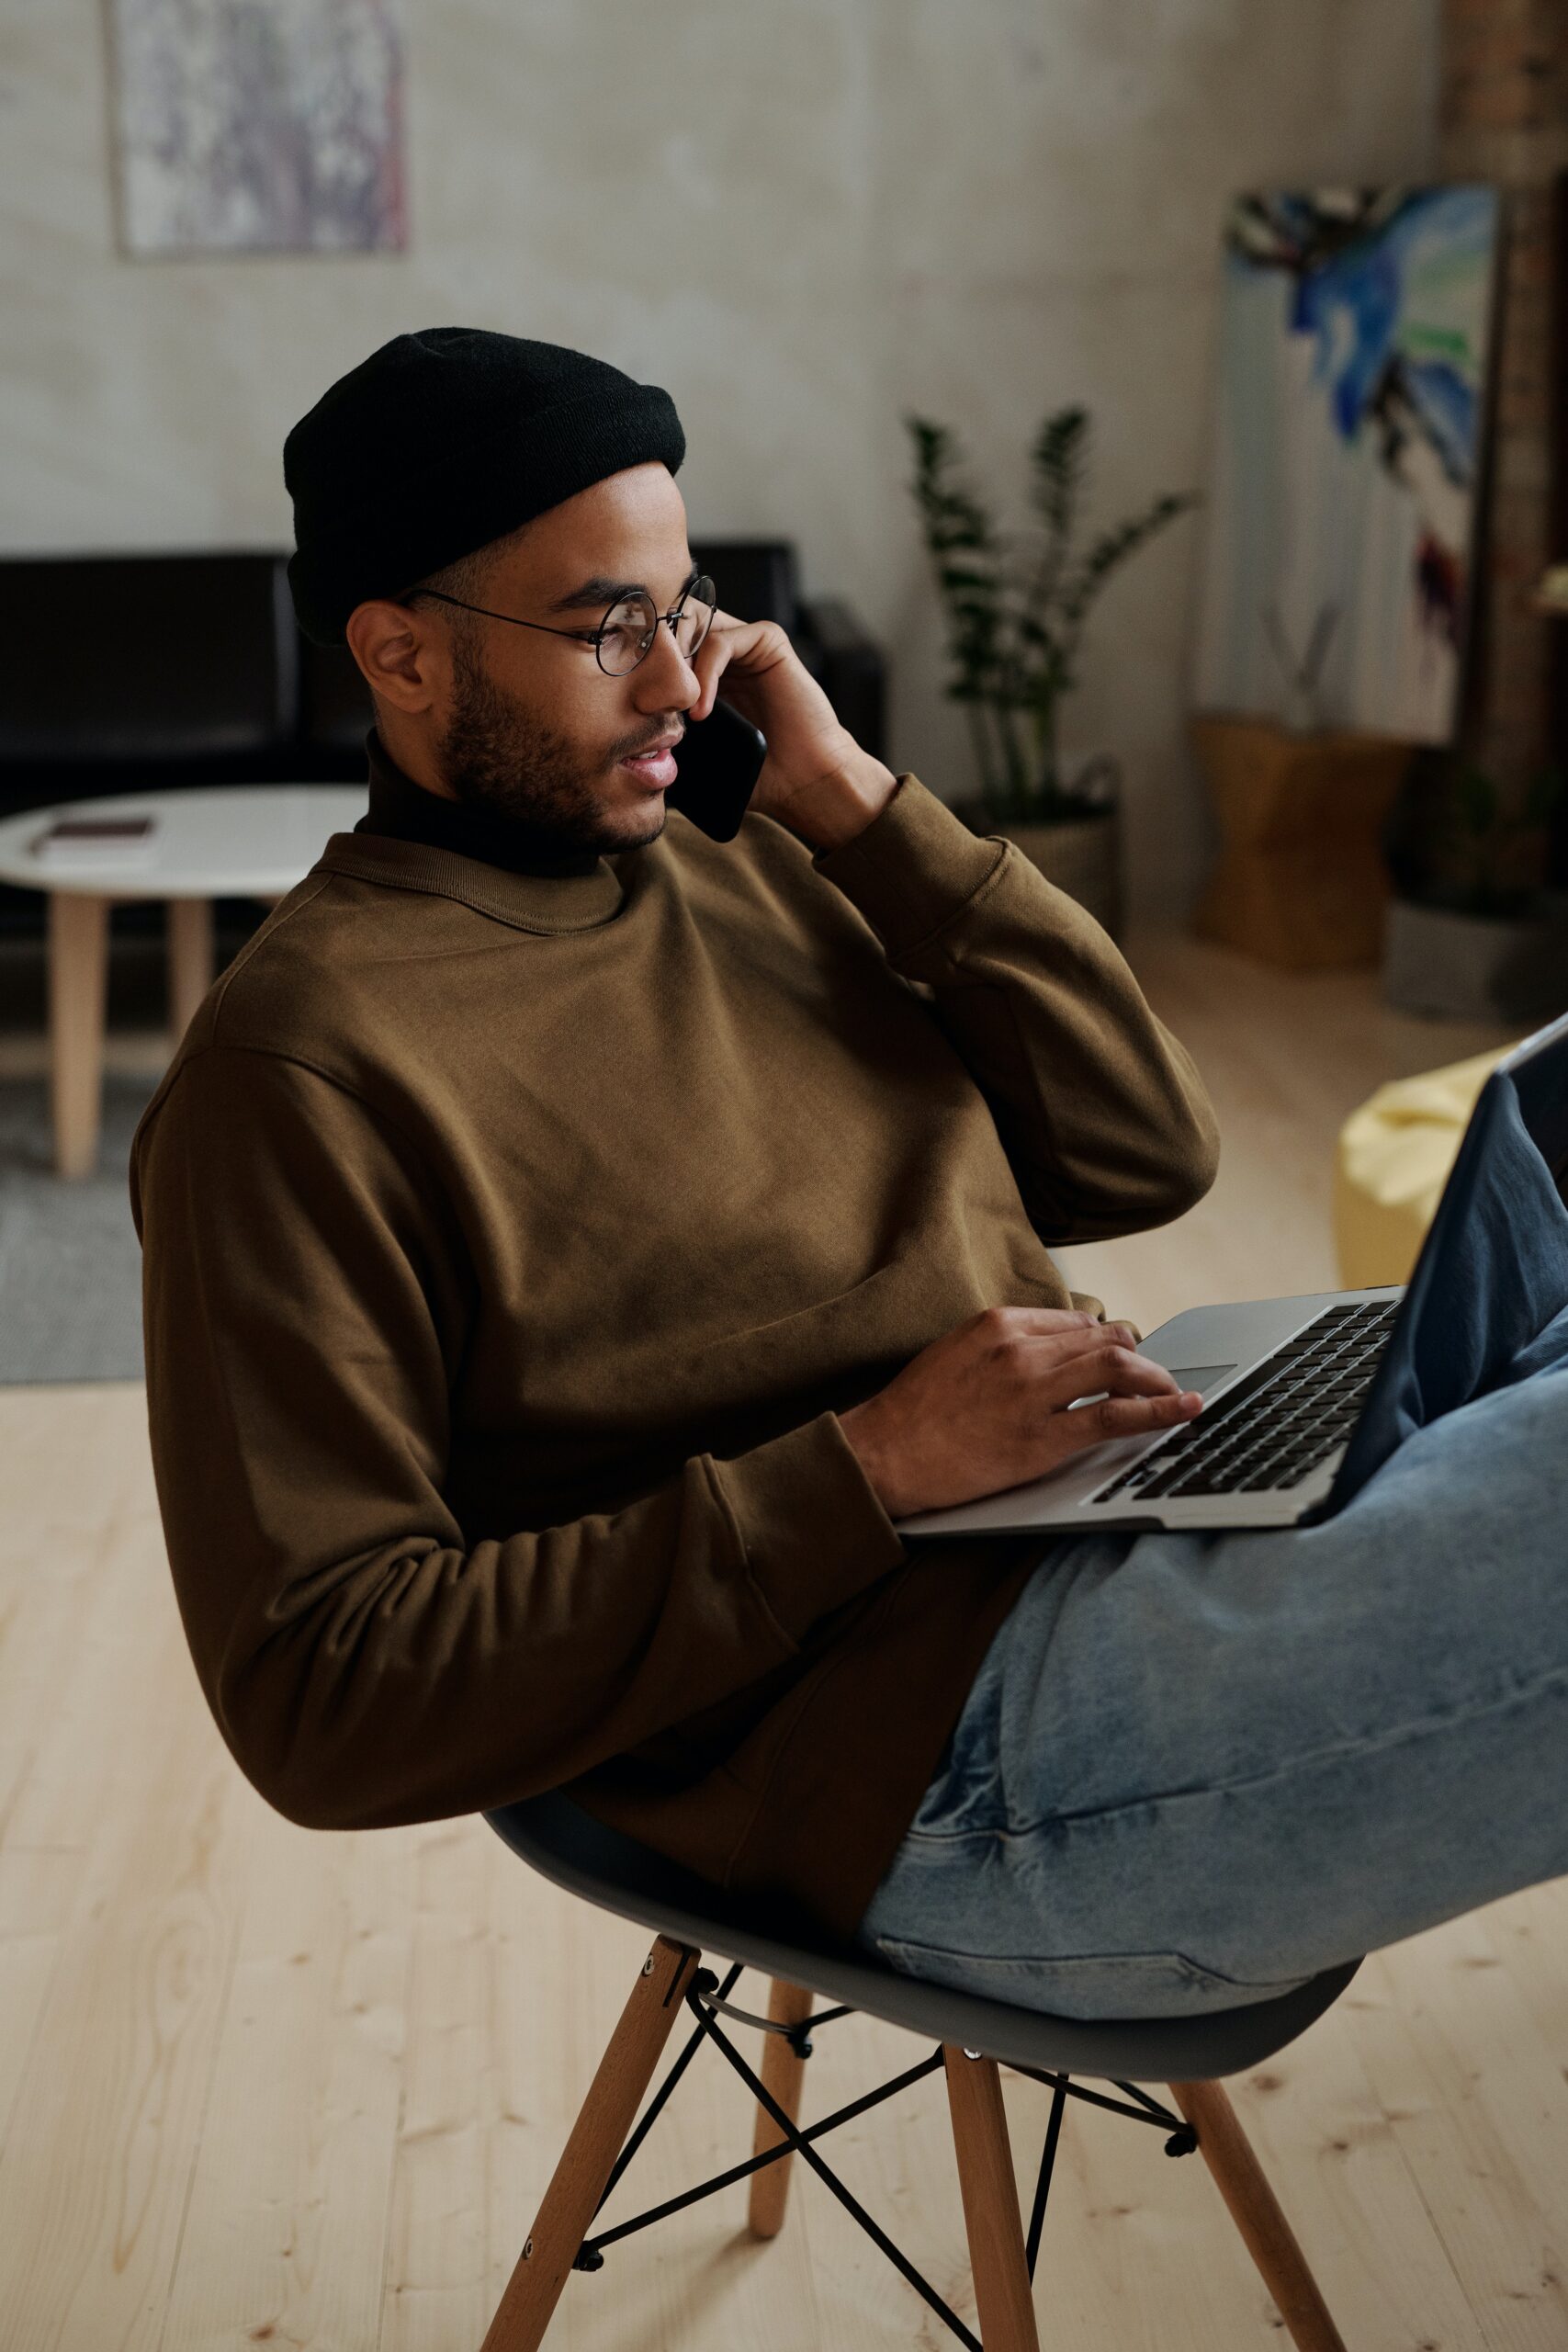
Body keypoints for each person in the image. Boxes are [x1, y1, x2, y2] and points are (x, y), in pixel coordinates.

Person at [130, 330, 1568, 2022]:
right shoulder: (296, 1074)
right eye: (607, 627)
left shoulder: (749, 855)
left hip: (1130, 1516)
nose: (679, 681)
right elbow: (323, 1691)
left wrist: (855, 800)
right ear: (401, 655)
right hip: (942, 1772)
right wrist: (869, 1469)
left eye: (688, 608)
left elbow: (1145, 1144)